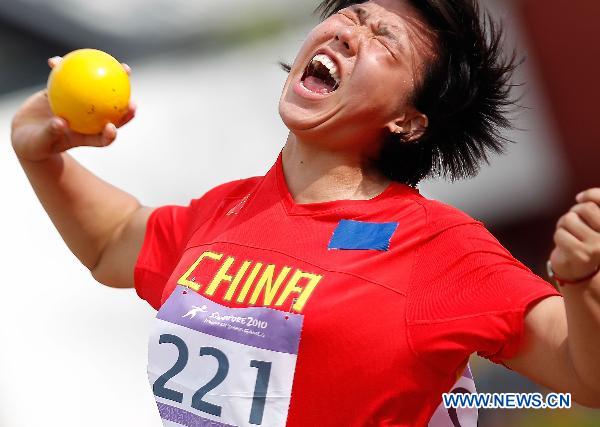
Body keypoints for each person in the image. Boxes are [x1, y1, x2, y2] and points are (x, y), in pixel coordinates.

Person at [10, 0, 600, 425]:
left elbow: (583, 378)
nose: (349, 33)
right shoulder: (229, 210)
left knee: (490, 399)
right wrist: (41, 158)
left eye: (384, 40)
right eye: (352, 15)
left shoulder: (439, 248)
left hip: (494, 399)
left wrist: (583, 281)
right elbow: (114, 240)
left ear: (409, 121)